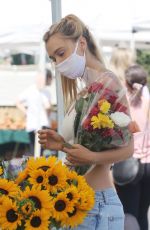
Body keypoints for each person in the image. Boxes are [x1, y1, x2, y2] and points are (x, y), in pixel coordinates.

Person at [38, 14, 133, 230]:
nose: (58, 63)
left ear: (81, 44)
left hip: (97, 206)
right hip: (80, 204)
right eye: (53, 58)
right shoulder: (85, 91)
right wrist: (62, 144)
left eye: (60, 53)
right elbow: (88, 143)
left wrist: (91, 157)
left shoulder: (108, 84)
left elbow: (128, 150)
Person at [115, 65, 150, 230]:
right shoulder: (148, 100)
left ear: (127, 83)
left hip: (129, 163)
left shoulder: (123, 103)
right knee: (143, 214)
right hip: (149, 164)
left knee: (128, 214)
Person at [16, 75, 50, 155]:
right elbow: (47, 106)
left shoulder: (29, 90)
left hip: (31, 124)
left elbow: (17, 101)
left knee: (33, 149)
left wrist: (26, 112)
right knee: (41, 150)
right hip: (41, 123)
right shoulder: (44, 91)